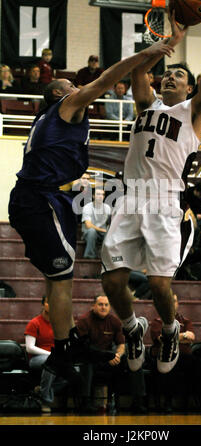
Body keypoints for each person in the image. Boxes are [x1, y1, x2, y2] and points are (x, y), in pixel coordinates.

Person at [8, 39, 175, 394]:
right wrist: (145, 56)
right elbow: (102, 82)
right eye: (69, 85)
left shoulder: (50, 118)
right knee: (62, 273)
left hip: (50, 198)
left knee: (58, 276)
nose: (75, 87)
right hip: (40, 200)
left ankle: (67, 347)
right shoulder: (66, 106)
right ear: (58, 94)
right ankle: (65, 349)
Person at [101, 0, 201, 376]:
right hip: (131, 198)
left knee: (158, 285)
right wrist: (165, 42)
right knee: (113, 281)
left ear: (190, 89)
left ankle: (169, 329)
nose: (171, 77)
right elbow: (138, 68)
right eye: (168, 74)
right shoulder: (144, 103)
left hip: (167, 202)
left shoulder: (194, 112)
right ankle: (134, 327)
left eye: (179, 76)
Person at [150, 294, 201, 412]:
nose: (171, 303)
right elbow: (161, 339)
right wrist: (183, 335)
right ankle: (167, 403)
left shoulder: (185, 321)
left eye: (174, 301)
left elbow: (191, 337)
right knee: (169, 366)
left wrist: (172, 336)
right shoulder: (157, 321)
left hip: (184, 357)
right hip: (164, 356)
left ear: (177, 304)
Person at [76, 294, 126, 413]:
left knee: (122, 362)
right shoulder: (84, 320)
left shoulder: (115, 321)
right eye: (100, 304)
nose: (103, 307)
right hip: (89, 356)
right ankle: (85, 402)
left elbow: (121, 345)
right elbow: (85, 347)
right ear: (93, 306)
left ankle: (113, 401)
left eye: (106, 305)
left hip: (107, 358)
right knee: (86, 361)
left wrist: (117, 355)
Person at [24, 296, 67, 413]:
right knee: (52, 362)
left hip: (55, 357)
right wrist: (51, 354)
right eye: (49, 302)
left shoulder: (60, 324)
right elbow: (29, 348)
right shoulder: (34, 323)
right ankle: (45, 401)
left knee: (76, 370)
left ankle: (41, 390)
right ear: (43, 304)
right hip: (36, 359)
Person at [81, 188, 111, 259]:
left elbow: (110, 223)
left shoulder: (107, 208)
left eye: (102, 194)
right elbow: (88, 225)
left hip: (102, 233)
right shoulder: (87, 207)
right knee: (92, 231)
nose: (101, 196)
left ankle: (108, 257)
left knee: (111, 233)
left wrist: (108, 231)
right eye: (98, 194)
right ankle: (89, 256)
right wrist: (104, 230)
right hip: (89, 232)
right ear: (93, 196)